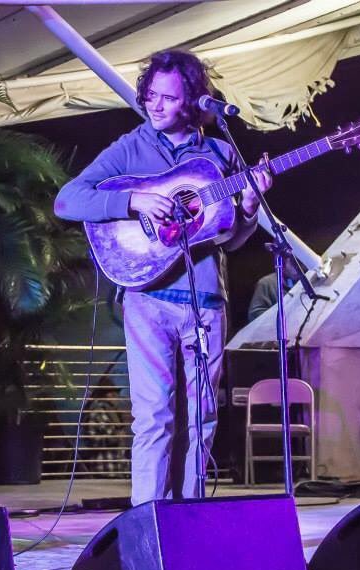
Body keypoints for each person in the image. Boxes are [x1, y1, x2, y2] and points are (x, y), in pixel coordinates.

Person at [54, 50, 271, 505]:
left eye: (168, 98)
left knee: (201, 417)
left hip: (205, 300)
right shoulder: (130, 147)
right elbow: (67, 200)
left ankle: (190, 520)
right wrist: (131, 202)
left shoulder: (219, 154)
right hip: (146, 297)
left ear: (191, 102)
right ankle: (148, 525)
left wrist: (249, 209)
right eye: (151, 95)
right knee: (153, 417)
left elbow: (229, 240)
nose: (155, 106)